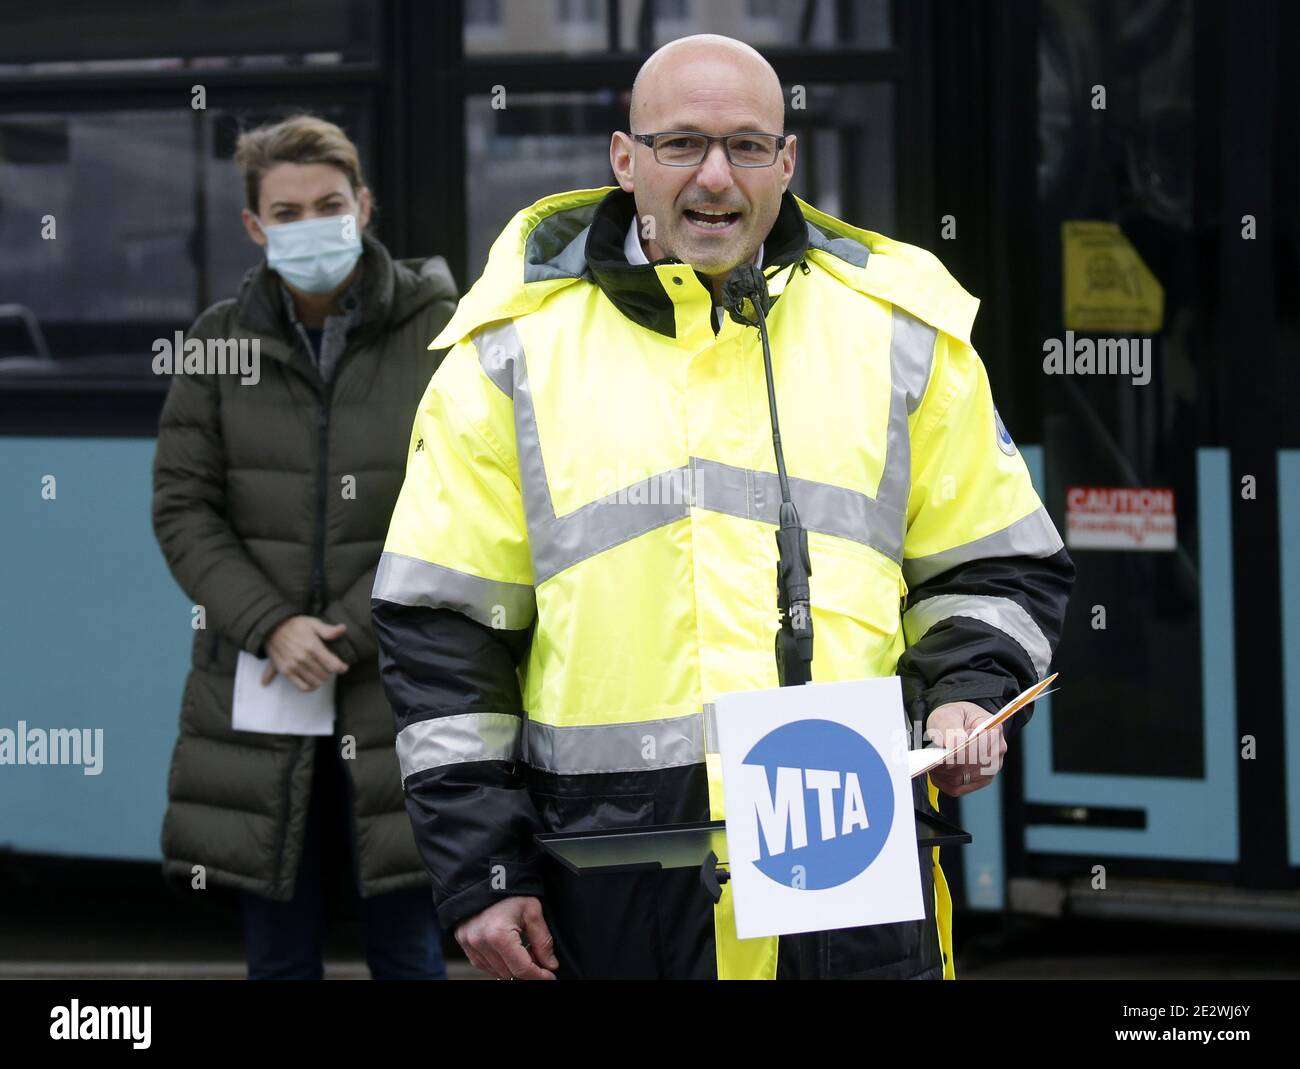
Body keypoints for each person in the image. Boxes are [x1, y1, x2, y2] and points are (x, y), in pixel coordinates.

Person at [373, 35, 1074, 980]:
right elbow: (443, 630)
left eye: (748, 146)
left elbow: (995, 566)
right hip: (613, 883)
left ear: (788, 163)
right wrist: (484, 869)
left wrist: (967, 695)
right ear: (624, 161)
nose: (716, 175)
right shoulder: (507, 357)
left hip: (849, 862)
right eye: (681, 145)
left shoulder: (903, 334)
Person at [152, 114, 458, 979]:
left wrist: (354, 628)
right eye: (286, 212)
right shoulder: (218, 341)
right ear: (255, 226)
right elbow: (184, 506)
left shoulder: (440, 332)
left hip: (395, 683)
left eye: (329, 204)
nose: (310, 224)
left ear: (363, 205)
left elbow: (464, 502)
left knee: (408, 942)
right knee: (278, 952)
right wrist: (273, 625)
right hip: (261, 685)